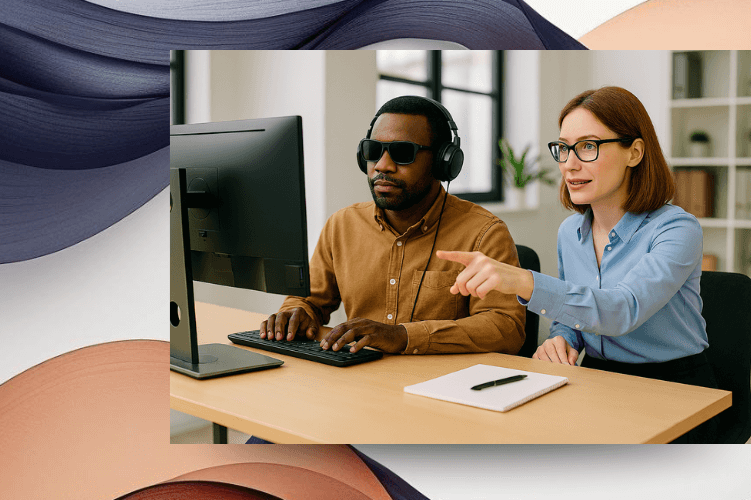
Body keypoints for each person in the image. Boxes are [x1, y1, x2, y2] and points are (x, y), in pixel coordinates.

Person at [437, 86, 717, 442]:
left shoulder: (677, 229)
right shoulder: (570, 231)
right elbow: (576, 312)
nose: (569, 163)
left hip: (674, 386)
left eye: (588, 146)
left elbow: (621, 310)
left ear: (634, 152)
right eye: (564, 148)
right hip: (597, 377)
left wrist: (523, 281)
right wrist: (561, 338)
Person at [258, 95, 526, 356]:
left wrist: (403, 336)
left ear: (443, 161)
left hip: (442, 388)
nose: (382, 166)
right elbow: (309, 300)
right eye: (373, 151)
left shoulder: (483, 234)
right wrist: (295, 313)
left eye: (402, 153)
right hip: (361, 380)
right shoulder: (342, 225)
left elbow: (506, 327)